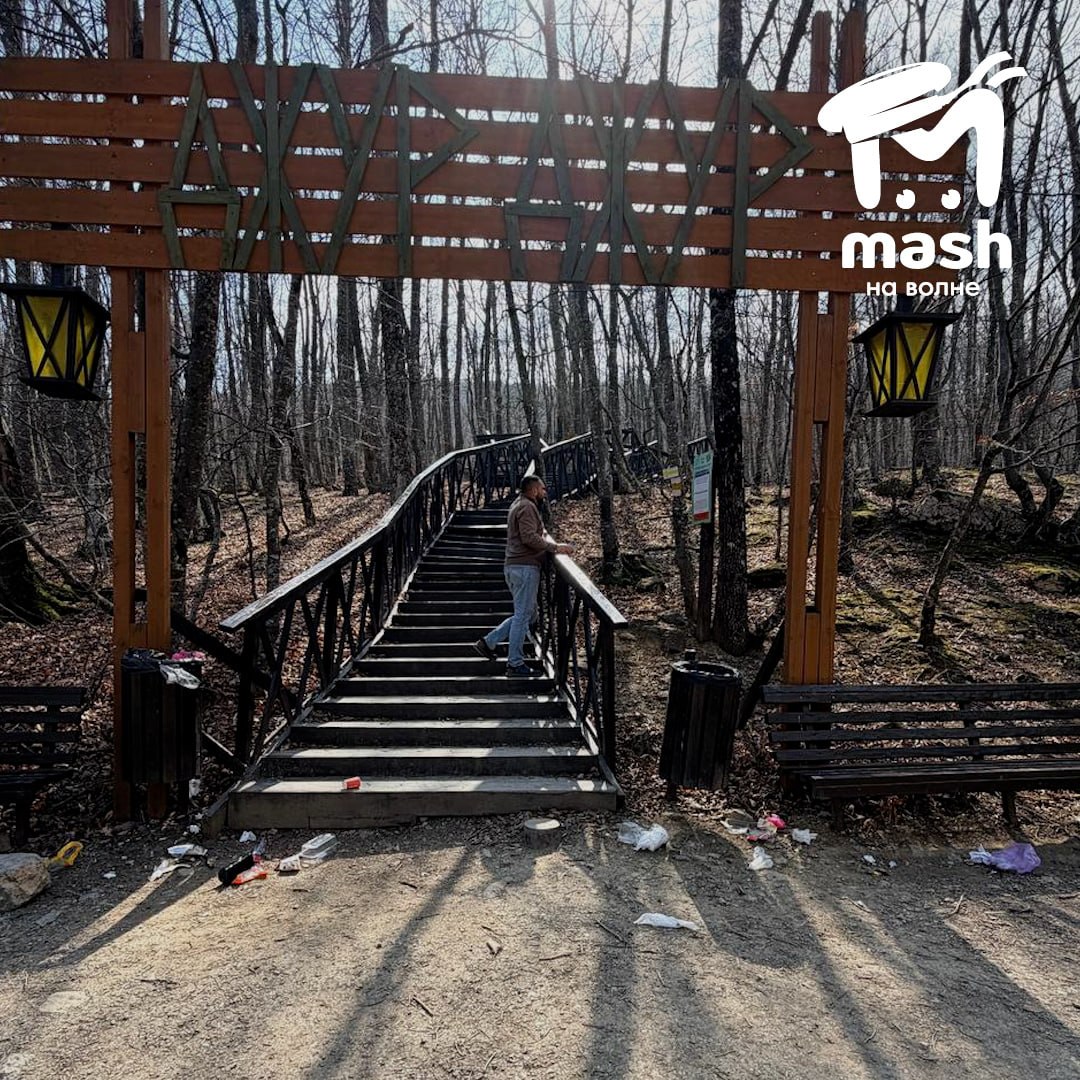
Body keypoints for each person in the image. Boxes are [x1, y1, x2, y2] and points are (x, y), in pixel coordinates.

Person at [474, 476, 573, 676]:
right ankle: (515, 663)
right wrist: (555, 547)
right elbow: (529, 537)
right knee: (522, 616)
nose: (545, 492)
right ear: (534, 490)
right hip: (524, 567)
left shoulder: (518, 504)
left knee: (528, 614)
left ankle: (489, 642)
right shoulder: (527, 507)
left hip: (516, 566)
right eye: (542, 489)